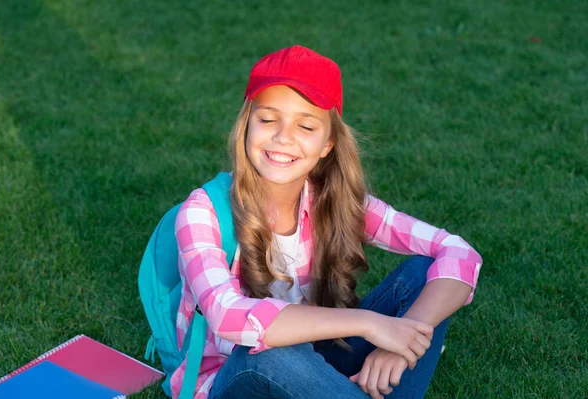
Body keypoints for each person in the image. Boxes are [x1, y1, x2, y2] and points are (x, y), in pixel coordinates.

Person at [171, 45, 483, 399]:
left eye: (306, 125)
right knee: (275, 354)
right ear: (246, 125)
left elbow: (458, 251)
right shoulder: (204, 211)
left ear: (327, 144)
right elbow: (227, 315)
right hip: (235, 377)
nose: (283, 137)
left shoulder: (333, 202)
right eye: (268, 119)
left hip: (318, 360)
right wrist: (371, 325)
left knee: (422, 273)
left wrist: (405, 335)